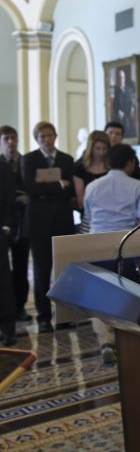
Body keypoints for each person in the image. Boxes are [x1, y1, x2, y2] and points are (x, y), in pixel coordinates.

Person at [84, 144, 140, 365]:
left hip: (95, 243)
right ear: (130, 163)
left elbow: (88, 215)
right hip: (125, 244)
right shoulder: (137, 185)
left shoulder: (92, 186)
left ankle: (105, 342)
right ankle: (130, 338)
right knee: (129, 291)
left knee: (99, 293)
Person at [21, 121, 76, 333]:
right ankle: (43, 317)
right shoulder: (29, 159)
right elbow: (30, 186)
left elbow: (69, 189)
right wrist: (57, 185)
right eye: (42, 136)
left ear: (56, 136)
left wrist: (45, 185)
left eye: (49, 135)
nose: (46, 139)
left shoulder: (66, 159)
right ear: (37, 139)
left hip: (62, 218)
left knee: (64, 269)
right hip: (38, 221)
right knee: (41, 271)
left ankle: (64, 315)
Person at [0, 125, 31, 320]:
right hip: (4, 220)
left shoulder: (26, 162)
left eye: (14, 138)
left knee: (21, 266)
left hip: (23, 220)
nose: (11, 142)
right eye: (6, 139)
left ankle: (20, 306)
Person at [73, 131, 110, 233]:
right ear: (91, 148)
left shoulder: (111, 166)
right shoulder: (80, 167)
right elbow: (81, 199)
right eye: (97, 149)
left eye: (104, 149)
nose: (101, 152)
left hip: (110, 214)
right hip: (89, 214)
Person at [0, 158, 17, 345]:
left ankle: (8, 329)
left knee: (3, 282)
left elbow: (8, 198)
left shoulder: (1, 165)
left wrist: (6, 227)